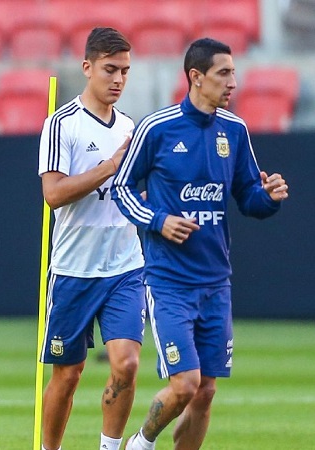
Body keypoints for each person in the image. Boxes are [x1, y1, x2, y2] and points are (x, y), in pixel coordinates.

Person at [112, 38, 289, 450]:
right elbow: (121, 187)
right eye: (223, 73)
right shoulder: (157, 128)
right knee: (186, 384)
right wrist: (159, 221)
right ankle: (141, 443)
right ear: (196, 77)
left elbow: (248, 197)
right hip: (169, 281)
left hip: (215, 282)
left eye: (233, 73)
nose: (233, 82)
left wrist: (269, 198)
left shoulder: (235, 130)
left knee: (206, 391)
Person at [37, 27, 145, 450]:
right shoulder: (62, 124)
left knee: (127, 364)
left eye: (125, 71)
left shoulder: (132, 127)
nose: (118, 79)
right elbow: (53, 194)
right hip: (74, 269)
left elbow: (135, 194)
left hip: (125, 267)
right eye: (110, 69)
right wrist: (108, 167)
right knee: (68, 374)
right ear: (88, 67)